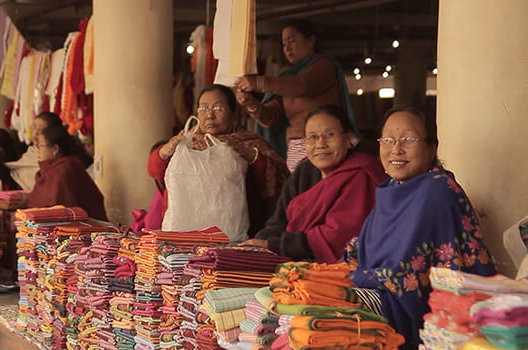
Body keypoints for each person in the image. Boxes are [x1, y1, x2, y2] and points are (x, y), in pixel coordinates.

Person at [345, 107, 496, 350]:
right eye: (388, 140)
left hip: (416, 314)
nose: (396, 149)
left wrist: (352, 279)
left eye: (408, 139)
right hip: (378, 293)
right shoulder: (391, 189)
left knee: (328, 317)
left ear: (431, 148)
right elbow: (356, 250)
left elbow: (403, 275)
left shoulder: (437, 190)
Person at [241, 105, 386, 263]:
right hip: (294, 258)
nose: (320, 143)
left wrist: (273, 245)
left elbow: (338, 236)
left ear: (348, 139)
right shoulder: (304, 172)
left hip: (344, 266)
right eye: (312, 137)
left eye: (329, 135)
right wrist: (257, 245)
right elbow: (278, 221)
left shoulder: (360, 173)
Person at [148, 84, 288, 240]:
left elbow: (277, 177)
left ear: (234, 114)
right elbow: (155, 171)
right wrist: (164, 152)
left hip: (235, 236)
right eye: (203, 109)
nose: (210, 115)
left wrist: (251, 156)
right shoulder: (184, 144)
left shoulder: (248, 143)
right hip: (182, 236)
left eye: (218, 109)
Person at [235, 19, 355, 172]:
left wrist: (259, 83)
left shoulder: (324, 65)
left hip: (327, 142)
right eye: (284, 44)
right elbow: (271, 116)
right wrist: (251, 104)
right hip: (298, 145)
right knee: (303, 192)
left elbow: (303, 86)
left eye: (292, 41)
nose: (288, 48)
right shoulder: (287, 77)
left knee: (326, 190)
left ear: (311, 40)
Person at [23, 124, 107, 220]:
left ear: (55, 149)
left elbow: (61, 211)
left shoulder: (64, 170)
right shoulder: (49, 171)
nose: (38, 150)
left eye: (41, 145)